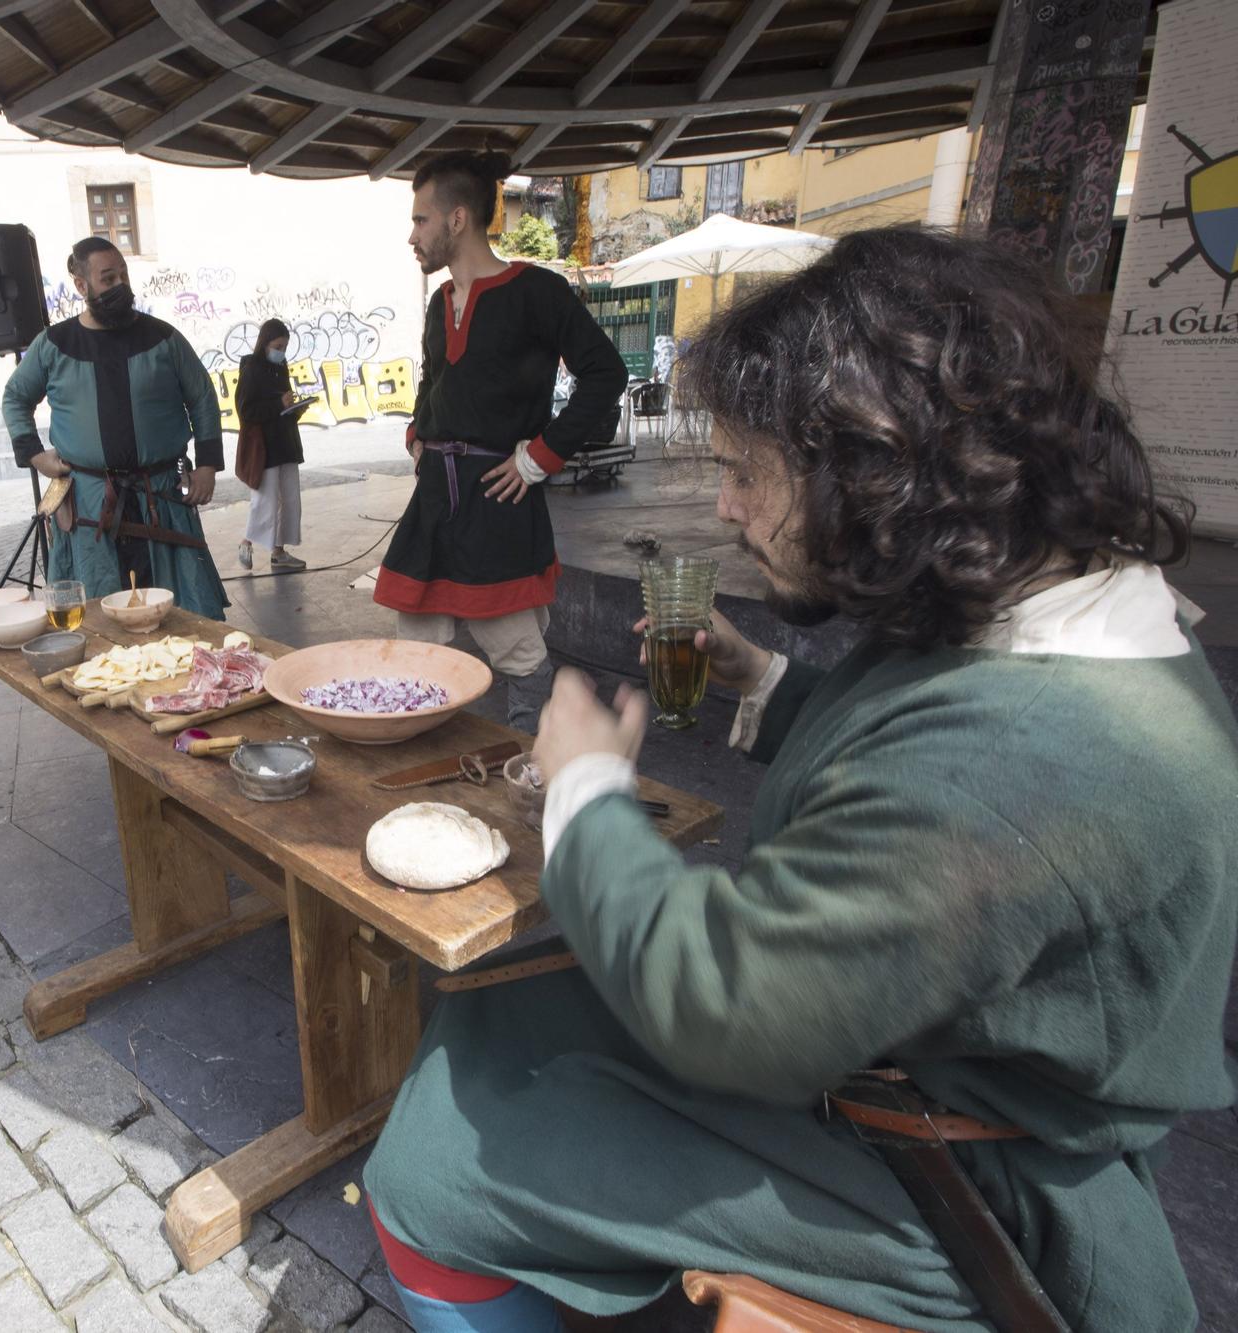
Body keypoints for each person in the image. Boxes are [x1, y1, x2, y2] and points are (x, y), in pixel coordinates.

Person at [361, 227, 1237, 1332]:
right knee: (494, 1013)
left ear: (876, 472)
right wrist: (767, 677)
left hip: (955, 1174)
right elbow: (911, 750)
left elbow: (731, 1003)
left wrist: (584, 789)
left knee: (431, 1163)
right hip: (901, 1056)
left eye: (741, 471)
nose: (723, 508)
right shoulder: (1046, 605)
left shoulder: (1026, 760)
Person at [376, 150, 628, 734]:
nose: (412, 235)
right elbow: (432, 377)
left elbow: (604, 374)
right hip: (437, 498)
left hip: (499, 498)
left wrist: (541, 456)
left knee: (516, 646)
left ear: (457, 219)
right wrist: (419, 435)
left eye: (421, 220)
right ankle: (418, 761)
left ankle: (532, 767)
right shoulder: (440, 304)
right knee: (415, 647)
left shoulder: (537, 291)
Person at [2, 237, 228, 618]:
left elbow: (203, 398)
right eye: (108, 278)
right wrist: (35, 455)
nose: (120, 285)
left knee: (182, 614)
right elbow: (15, 398)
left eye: (123, 275)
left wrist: (206, 465)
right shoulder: (54, 345)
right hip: (90, 503)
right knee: (96, 616)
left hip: (159, 497)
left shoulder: (163, 338)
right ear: (81, 285)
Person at [235, 318, 306, 572]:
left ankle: (279, 551)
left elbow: (283, 404)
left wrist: (296, 408)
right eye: (278, 346)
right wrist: (279, 405)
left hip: (285, 442)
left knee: (289, 499)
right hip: (264, 447)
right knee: (264, 500)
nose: (281, 352)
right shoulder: (252, 368)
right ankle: (246, 543)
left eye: (285, 347)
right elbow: (245, 410)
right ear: (264, 343)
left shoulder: (281, 367)